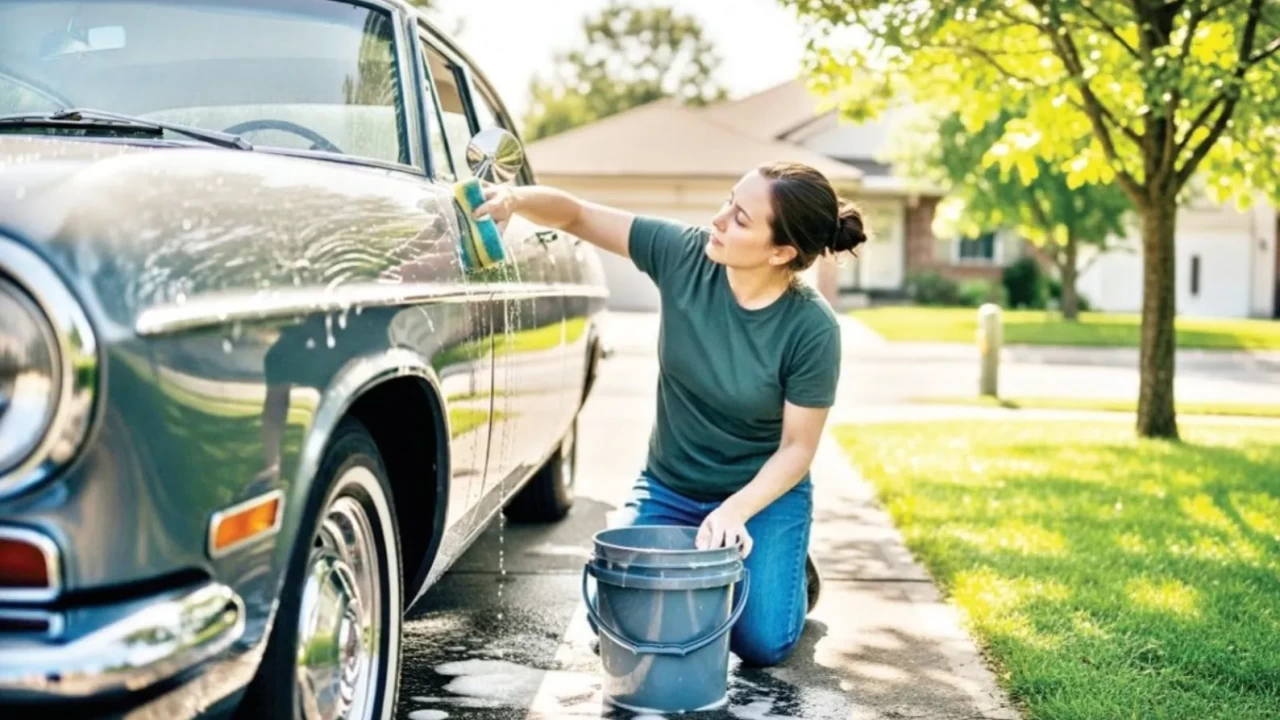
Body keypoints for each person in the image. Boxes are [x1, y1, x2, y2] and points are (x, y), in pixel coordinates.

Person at [473, 161, 867, 667]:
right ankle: (733, 567)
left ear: (781, 252)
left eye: (741, 218)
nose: (719, 219)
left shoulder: (812, 328)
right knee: (618, 624)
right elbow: (576, 215)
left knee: (762, 645)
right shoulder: (684, 255)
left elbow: (798, 449)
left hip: (761, 499)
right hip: (671, 487)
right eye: (728, 200)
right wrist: (514, 200)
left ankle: (790, 573)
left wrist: (736, 510)